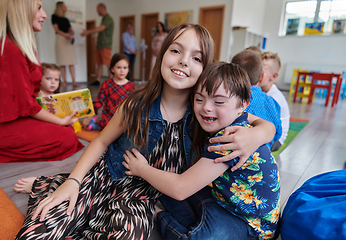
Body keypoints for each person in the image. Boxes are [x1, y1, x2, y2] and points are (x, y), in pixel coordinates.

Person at [14, 23, 275, 239]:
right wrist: (73, 181)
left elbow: (264, 125)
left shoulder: (207, 114)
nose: (184, 61)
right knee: (46, 224)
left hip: (144, 194)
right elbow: (101, 141)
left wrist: (256, 135)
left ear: (204, 69)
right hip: (107, 178)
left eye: (196, 58)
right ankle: (52, 184)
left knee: (128, 234)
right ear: (161, 55)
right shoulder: (135, 104)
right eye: (175, 51)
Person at [123, 62, 281, 240]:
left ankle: (159, 215)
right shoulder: (235, 116)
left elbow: (180, 188)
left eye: (218, 101)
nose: (206, 107)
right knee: (168, 190)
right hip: (222, 200)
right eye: (199, 99)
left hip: (251, 224)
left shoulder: (228, 139)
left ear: (243, 104)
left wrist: (141, 169)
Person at [0, 0, 83, 163]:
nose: (44, 15)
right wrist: (60, 121)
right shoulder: (10, 49)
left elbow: (29, 95)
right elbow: (27, 105)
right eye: (39, 8)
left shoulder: (19, 45)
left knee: (67, 128)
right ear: (22, 12)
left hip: (17, 113)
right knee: (65, 136)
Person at [232, 50, 282, 149]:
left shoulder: (233, 100)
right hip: (264, 158)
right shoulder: (273, 103)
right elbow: (278, 134)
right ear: (261, 76)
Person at [80, 53, 136, 130]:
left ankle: (97, 122)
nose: (122, 71)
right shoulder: (107, 84)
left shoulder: (131, 86)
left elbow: (134, 106)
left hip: (123, 118)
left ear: (128, 69)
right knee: (108, 126)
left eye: (125, 68)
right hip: (108, 118)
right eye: (119, 67)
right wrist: (88, 118)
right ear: (112, 69)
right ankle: (96, 121)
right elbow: (98, 102)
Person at [259, 52, 290, 152]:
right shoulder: (262, 91)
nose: (257, 73)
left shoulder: (273, 97)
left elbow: (267, 126)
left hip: (276, 140)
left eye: (261, 71)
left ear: (273, 76)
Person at [81, 3, 114, 86]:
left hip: (105, 45)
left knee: (108, 64)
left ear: (102, 8)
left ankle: (112, 81)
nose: (96, 11)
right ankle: (98, 80)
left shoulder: (108, 18)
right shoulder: (103, 19)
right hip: (99, 45)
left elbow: (101, 28)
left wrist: (88, 31)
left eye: (97, 9)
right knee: (99, 63)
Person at [52, 1, 80, 90]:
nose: (65, 8)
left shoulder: (66, 19)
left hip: (68, 40)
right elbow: (56, 30)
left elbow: (72, 31)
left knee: (71, 62)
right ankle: (64, 81)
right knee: (62, 63)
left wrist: (70, 34)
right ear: (60, 7)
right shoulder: (54, 17)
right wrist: (65, 35)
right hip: (60, 39)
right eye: (64, 6)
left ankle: (74, 81)